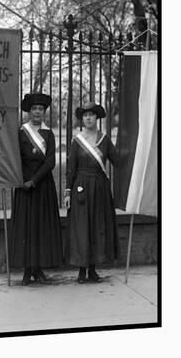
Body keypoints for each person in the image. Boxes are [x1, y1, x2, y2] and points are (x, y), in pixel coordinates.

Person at [10, 93, 63, 285]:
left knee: (40, 227)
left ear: (44, 112)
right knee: (26, 227)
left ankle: (38, 269)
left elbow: (50, 161)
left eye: (40, 109)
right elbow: (16, 158)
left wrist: (34, 180)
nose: (37, 112)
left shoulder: (49, 134)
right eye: (34, 109)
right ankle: (27, 270)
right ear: (29, 112)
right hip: (24, 185)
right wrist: (22, 180)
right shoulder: (21, 132)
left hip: (42, 185)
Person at [64, 102, 120, 284]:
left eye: (91, 115)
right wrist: (67, 191)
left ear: (97, 118)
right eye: (85, 115)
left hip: (100, 188)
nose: (88, 118)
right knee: (81, 228)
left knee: (97, 227)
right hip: (81, 187)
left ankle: (93, 270)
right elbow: (71, 168)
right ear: (82, 119)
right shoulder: (77, 141)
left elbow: (117, 160)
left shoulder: (104, 140)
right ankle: (81, 270)